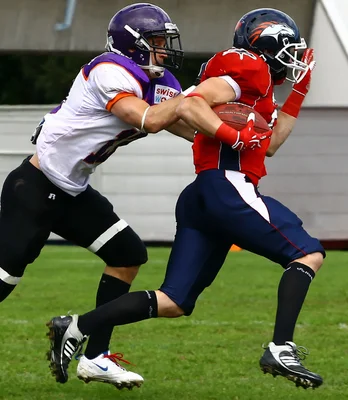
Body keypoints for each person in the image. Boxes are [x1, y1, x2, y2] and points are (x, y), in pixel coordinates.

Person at [46, 8, 325, 389]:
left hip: (205, 195)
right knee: (307, 252)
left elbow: (271, 145)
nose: (294, 60)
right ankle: (281, 347)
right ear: (266, 45)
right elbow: (191, 103)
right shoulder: (248, 67)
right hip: (226, 185)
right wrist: (233, 135)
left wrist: (299, 93)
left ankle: (77, 327)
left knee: (174, 301)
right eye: (289, 50)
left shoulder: (260, 87)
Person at [0, 2, 194, 389]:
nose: (164, 49)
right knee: (4, 278)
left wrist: (233, 133)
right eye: (156, 41)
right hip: (36, 187)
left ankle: (95, 358)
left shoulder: (159, 81)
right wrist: (196, 97)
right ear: (133, 44)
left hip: (72, 191)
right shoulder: (110, 70)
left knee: (127, 255)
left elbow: (187, 126)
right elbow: (151, 119)